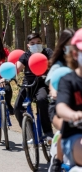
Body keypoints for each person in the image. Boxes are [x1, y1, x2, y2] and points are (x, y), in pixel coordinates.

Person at [45, 29, 76, 172]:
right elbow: (53, 82)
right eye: (69, 45)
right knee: (66, 126)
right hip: (58, 106)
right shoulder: (58, 65)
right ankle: (57, 161)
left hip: (78, 106)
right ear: (63, 46)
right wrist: (54, 91)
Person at [15, 33, 54, 140]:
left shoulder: (48, 52)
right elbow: (17, 68)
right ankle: (28, 132)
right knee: (18, 108)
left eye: (38, 42)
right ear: (28, 45)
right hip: (28, 84)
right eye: (32, 43)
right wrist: (7, 77)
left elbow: (55, 64)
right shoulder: (25, 55)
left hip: (42, 83)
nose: (36, 45)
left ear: (42, 43)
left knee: (42, 100)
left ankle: (48, 132)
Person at [56, 28, 82, 168]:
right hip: (74, 136)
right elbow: (61, 107)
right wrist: (73, 114)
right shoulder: (68, 81)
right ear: (75, 54)